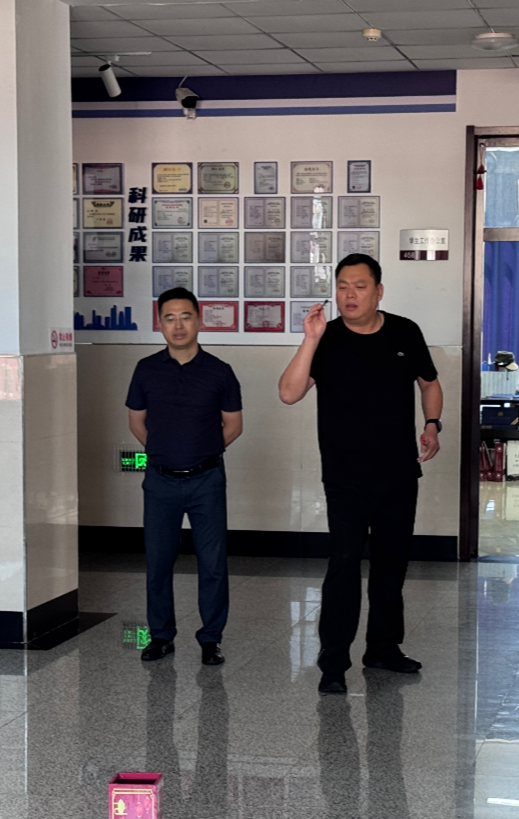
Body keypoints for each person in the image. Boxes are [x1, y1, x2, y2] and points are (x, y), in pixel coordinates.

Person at [278, 253, 443, 695]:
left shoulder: (405, 332)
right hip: (346, 476)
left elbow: (429, 382)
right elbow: (289, 393)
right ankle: (333, 662)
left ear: (379, 291)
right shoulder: (327, 338)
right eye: (342, 287)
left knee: (391, 565)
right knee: (345, 563)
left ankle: (383, 648)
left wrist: (432, 425)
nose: (349, 295)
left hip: (398, 473)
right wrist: (310, 339)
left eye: (360, 286)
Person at [126, 287, 243, 666]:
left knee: (213, 564)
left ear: (199, 320)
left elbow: (234, 425)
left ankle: (211, 639)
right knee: (159, 562)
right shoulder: (146, 369)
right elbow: (136, 422)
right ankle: (161, 636)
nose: (178, 325)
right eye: (170, 318)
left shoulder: (219, 372)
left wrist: (200, 451)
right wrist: (164, 451)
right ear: (160, 324)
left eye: (186, 317)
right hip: (160, 480)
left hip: (207, 480)